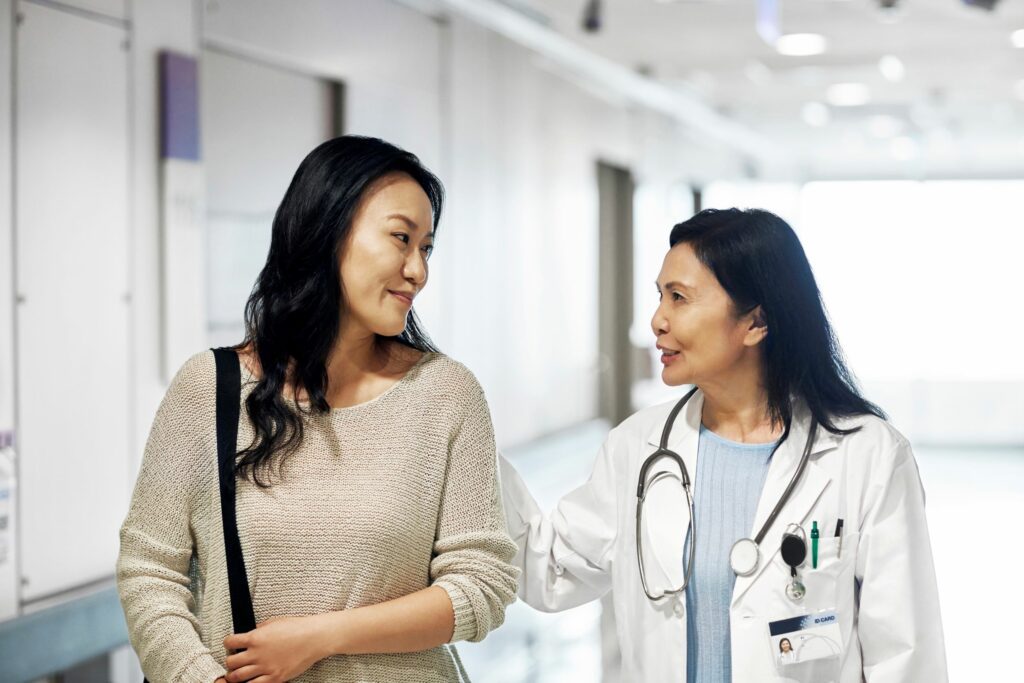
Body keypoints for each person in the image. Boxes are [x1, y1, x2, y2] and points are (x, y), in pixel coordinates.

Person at [118, 135, 518, 683]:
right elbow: (150, 571)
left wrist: (320, 637)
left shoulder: (446, 394)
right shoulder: (207, 389)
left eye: (426, 248)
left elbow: (481, 584)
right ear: (327, 229)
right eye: (401, 238)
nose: (418, 270)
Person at [500, 208, 948, 682]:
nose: (657, 320)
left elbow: (906, 657)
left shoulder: (867, 456)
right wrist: (463, 435)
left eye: (679, 298)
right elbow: (548, 569)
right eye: (660, 296)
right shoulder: (637, 449)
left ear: (755, 322)